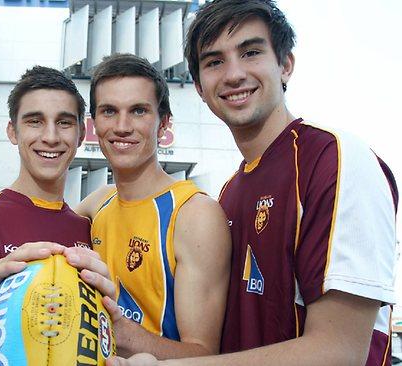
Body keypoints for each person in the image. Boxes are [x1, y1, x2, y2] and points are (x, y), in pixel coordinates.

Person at [112, 0, 398, 365]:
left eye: (250, 52)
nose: (233, 74)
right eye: (215, 62)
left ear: (286, 65)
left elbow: (339, 352)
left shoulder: (335, 159)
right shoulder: (229, 192)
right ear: (199, 87)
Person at [0, 54, 232, 360]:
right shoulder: (94, 209)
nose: (122, 126)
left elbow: (204, 355)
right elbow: (38, 214)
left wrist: (116, 331)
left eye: (138, 111)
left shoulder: (194, 214)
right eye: (109, 111)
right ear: (95, 126)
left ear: (164, 124)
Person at [0, 66, 115, 365]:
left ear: (82, 133)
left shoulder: (91, 229)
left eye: (64, 122)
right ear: (12, 131)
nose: (50, 136)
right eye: (35, 121)